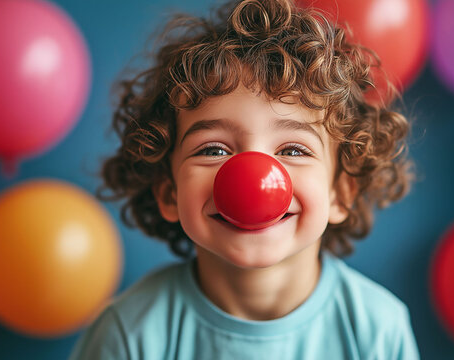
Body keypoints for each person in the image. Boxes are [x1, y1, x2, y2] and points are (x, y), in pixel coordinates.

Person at [70, 0, 419, 358]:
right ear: (169, 192)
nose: (252, 178)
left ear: (340, 192)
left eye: (294, 150)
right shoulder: (129, 334)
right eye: (214, 150)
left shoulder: (377, 330)